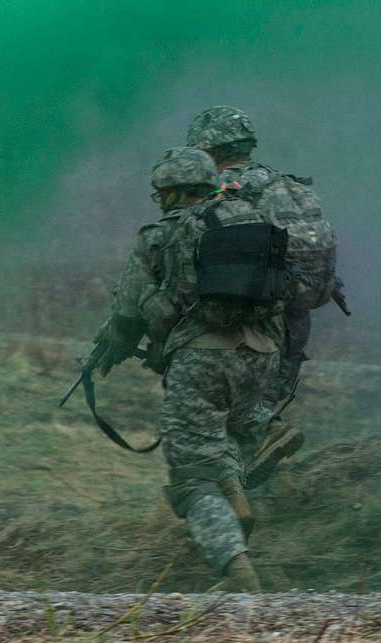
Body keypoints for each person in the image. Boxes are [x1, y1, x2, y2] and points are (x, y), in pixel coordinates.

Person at [94, 146, 287, 592]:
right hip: (262, 359)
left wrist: (110, 351)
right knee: (228, 443)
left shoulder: (161, 236)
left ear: (175, 194)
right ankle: (236, 501)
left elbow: (127, 314)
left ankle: (237, 572)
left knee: (190, 475)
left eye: (163, 196)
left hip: (202, 361)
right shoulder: (251, 222)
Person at [186, 105, 343, 489]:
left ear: (209, 148)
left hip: (259, 323)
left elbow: (194, 254)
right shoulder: (288, 184)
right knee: (264, 408)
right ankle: (262, 496)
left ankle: (233, 505)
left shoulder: (226, 191)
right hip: (299, 315)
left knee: (230, 413)